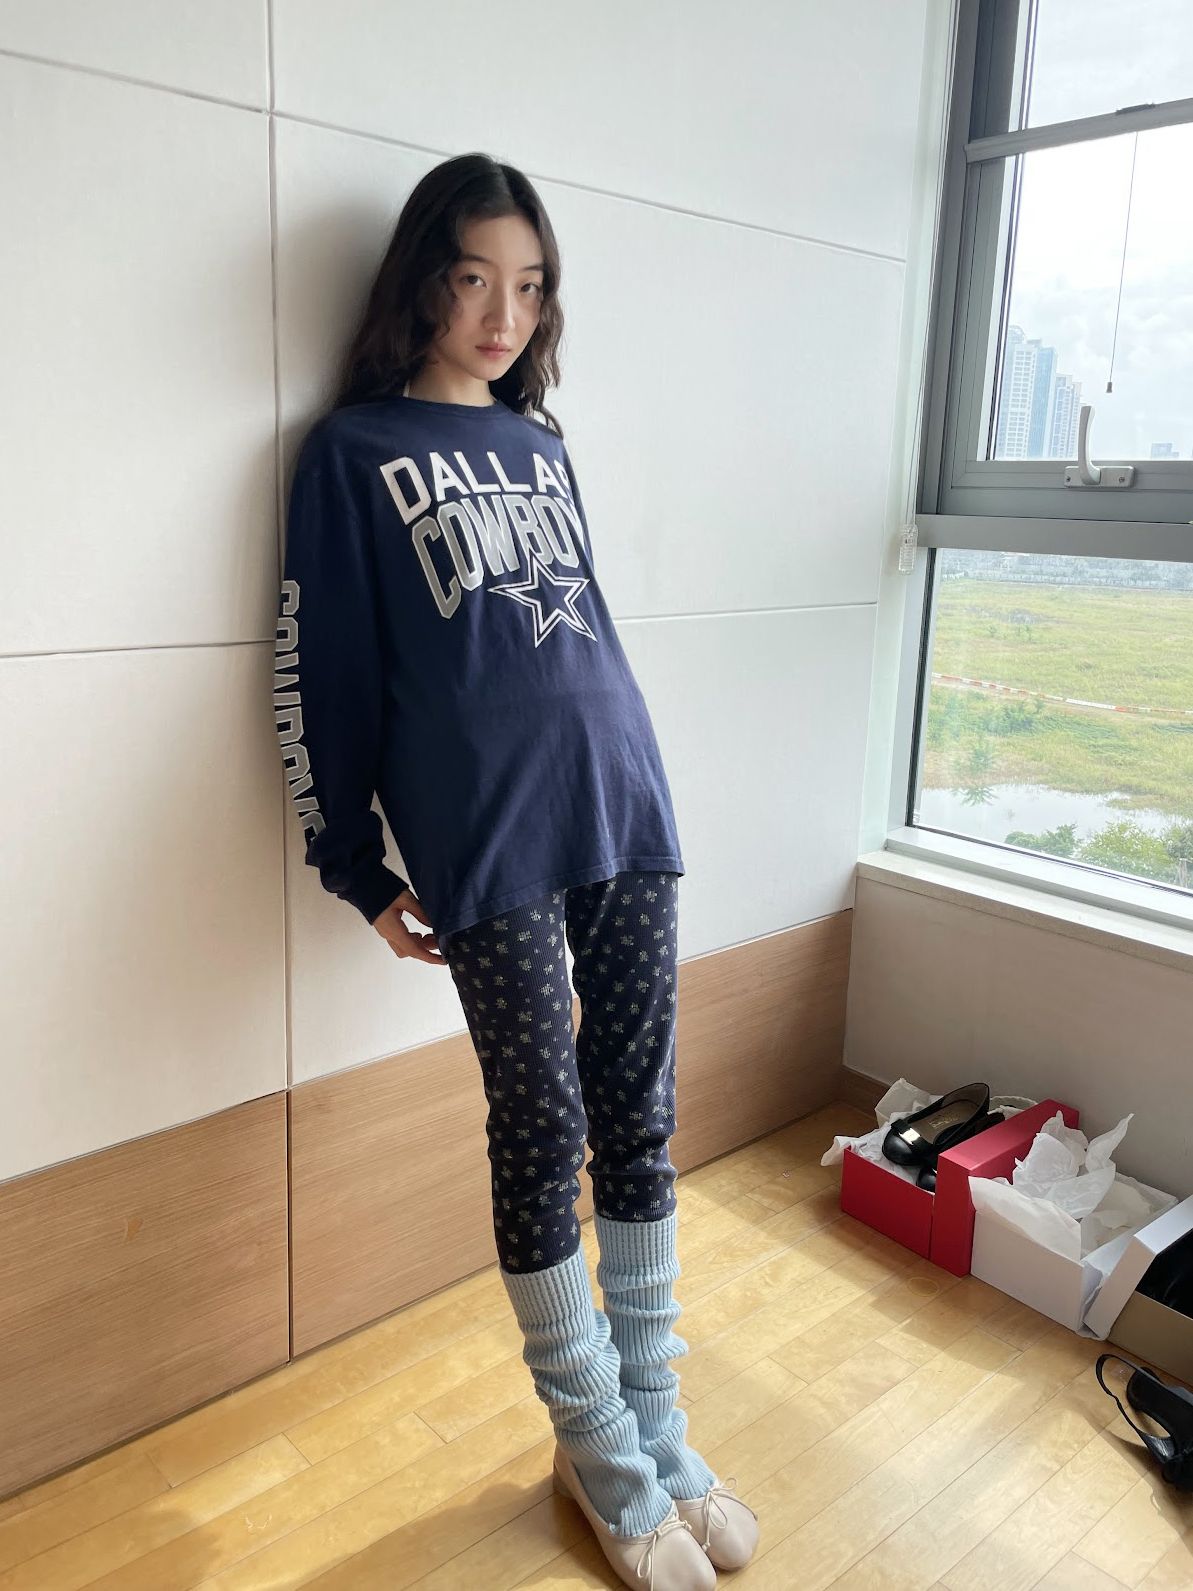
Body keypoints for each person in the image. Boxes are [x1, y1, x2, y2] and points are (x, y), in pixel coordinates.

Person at [273, 152, 758, 1588]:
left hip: (621, 802)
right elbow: (319, 671)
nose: (502, 315)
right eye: (474, 279)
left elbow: (580, 629)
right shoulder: (350, 454)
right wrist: (354, 867)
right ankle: (600, 1452)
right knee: (542, 1131)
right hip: (485, 836)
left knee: (640, 1118)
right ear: (422, 280)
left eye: (530, 287)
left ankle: (657, 1427)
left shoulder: (542, 445)